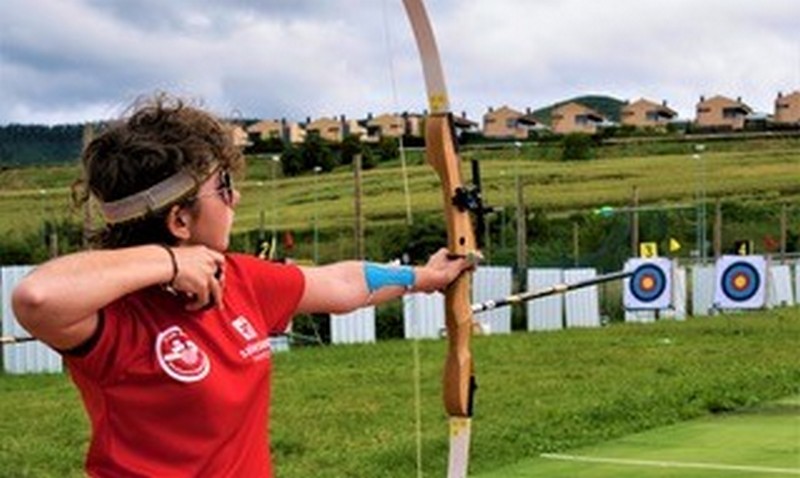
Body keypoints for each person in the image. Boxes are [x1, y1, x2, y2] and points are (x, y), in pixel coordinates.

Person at [11, 94, 471, 477]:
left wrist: (422, 278)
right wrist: (170, 262)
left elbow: (339, 282)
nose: (237, 197)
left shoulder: (239, 277)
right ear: (180, 219)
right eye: (224, 186)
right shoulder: (117, 314)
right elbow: (37, 297)